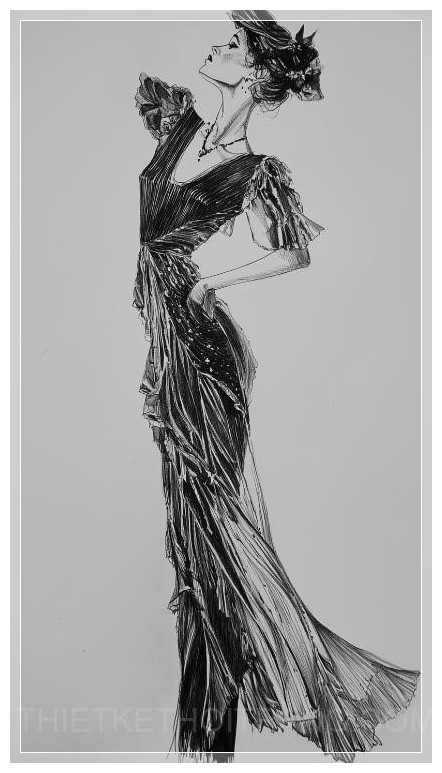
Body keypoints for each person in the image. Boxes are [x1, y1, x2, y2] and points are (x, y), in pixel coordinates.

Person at [133, 9, 419, 763]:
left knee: (213, 536)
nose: (217, 44)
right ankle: (204, 736)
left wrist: (210, 284)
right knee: (193, 536)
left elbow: (295, 253)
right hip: (168, 346)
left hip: (203, 353)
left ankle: (211, 737)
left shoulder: (255, 170)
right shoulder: (178, 124)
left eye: (233, 44)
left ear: (257, 74)